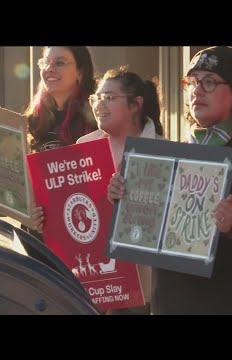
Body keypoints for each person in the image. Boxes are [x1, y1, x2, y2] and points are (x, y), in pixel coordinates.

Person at [108, 46, 232, 315]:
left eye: (209, 82)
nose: (197, 90)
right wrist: (125, 199)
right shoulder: (169, 156)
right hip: (173, 304)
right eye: (191, 82)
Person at [32, 66, 165, 315]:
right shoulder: (84, 146)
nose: (99, 105)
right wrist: (47, 217)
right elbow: (74, 211)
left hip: (148, 284)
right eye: (97, 98)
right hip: (96, 281)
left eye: (109, 98)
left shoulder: (164, 151)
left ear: (135, 105)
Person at [0, 47, 96, 240]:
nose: (49, 69)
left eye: (59, 63)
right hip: (36, 236)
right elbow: (20, 180)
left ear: (80, 71)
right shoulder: (30, 122)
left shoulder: (97, 119)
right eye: (45, 62)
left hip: (81, 234)